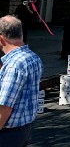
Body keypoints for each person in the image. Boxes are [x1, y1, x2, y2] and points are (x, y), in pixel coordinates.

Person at [0, 16, 42, 147]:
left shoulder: (14, 65)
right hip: (24, 127)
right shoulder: (33, 57)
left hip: (8, 132)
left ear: (1, 38)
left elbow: (4, 107)